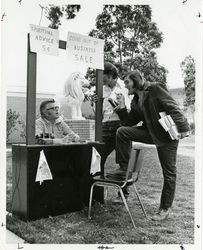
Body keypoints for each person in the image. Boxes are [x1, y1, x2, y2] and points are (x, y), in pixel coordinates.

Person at [115, 70, 190, 221]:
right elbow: (128, 123)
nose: (125, 86)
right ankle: (124, 168)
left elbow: (172, 107)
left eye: (127, 82)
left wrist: (183, 128)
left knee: (169, 172)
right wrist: (122, 108)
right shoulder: (135, 100)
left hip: (167, 136)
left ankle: (164, 208)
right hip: (150, 133)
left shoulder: (155, 88)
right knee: (122, 131)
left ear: (136, 81)